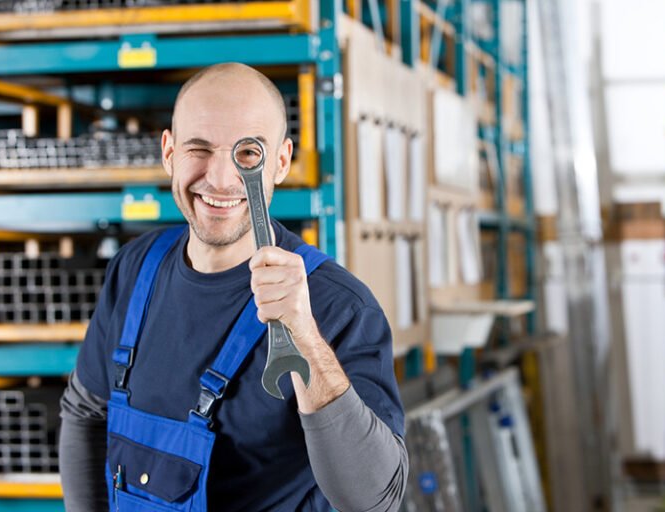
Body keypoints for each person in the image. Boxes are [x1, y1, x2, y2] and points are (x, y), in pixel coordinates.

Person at [59, 63, 408, 512]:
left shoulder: (340, 307)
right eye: (198, 149)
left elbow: (375, 501)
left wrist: (304, 339)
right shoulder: (135, 268)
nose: (221, 179)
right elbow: (85, 412)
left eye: (247, 153)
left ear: (280, 162)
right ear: (169, 152)